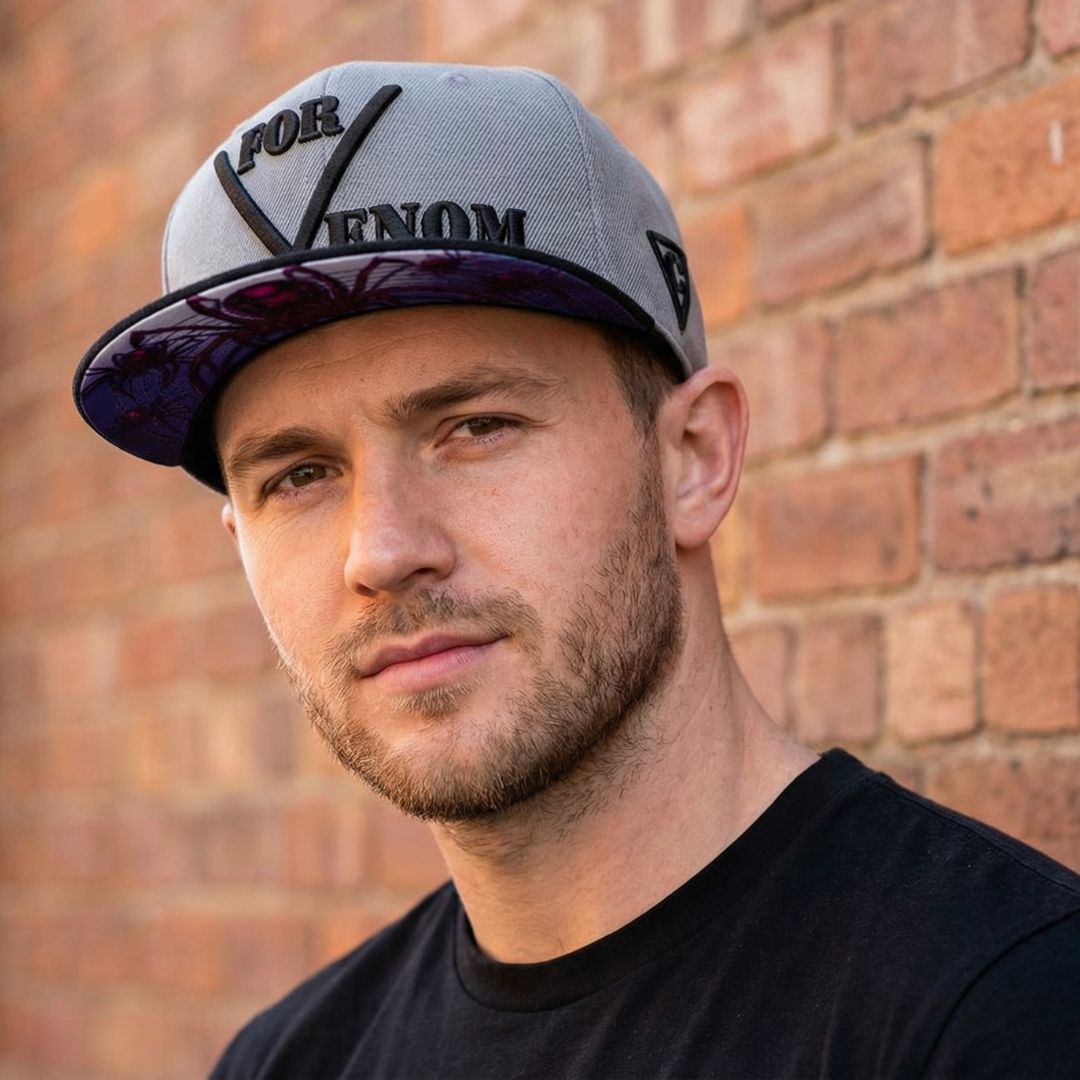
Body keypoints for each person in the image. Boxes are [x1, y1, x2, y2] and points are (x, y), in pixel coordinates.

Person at [73, 61, 1080, 1080]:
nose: (381, 550)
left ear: (692, 459)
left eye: (475, 426)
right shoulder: (285, 1063)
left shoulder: (1001, 1012)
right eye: (297, 476)